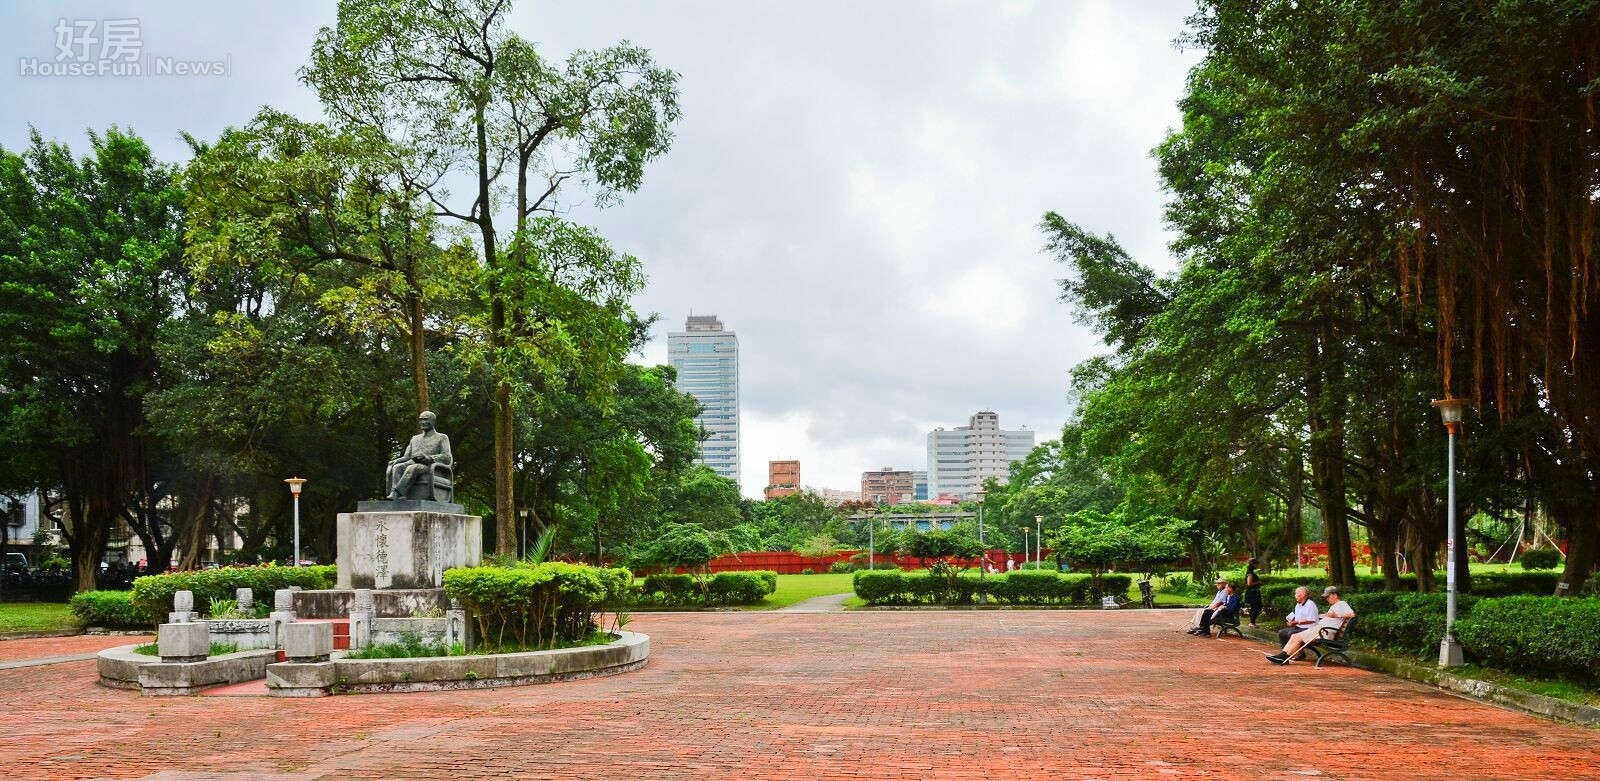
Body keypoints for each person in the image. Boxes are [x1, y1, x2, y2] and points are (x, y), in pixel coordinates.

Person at [1266, 585, 1355, 664]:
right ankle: (1283, 654)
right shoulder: (1334, 606)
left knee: (1297, 637)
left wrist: (1336, 615)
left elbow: (1352, 614)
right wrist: (1326, 616)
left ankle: (1285, 657)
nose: (1327, 599)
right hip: (1320, 629)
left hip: (1324, 632)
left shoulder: (1342, 604)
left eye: (1328, 596)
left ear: (1335, 595)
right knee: (1294, 636)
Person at [1243, 558, 1263, 627]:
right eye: (1256, 564)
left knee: (1254, 607)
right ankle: (1252, 622)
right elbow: (1249, 583)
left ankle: (1252, 622)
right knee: (1257, 607)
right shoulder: (1250, 573)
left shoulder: (1250, 572)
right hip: (1253, 593)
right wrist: (1258, 582)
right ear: (1253, 564)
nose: (1257, 565)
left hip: (1252, 592)